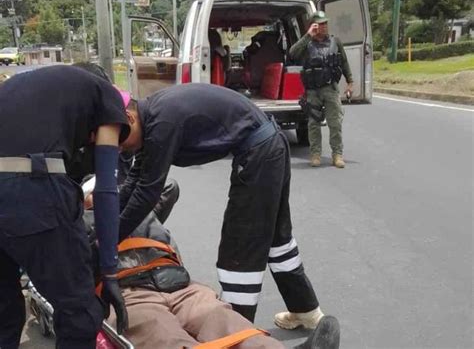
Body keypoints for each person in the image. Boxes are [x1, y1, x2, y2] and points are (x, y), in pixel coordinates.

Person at [116, 83, 328, 329]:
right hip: (268, 147)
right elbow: (135, 178)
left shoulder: (161, 123)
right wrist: (108, 218)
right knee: (278, 241)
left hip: (259, 154)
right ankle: (305, 309)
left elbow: (147, 191)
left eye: (118, 139)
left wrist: (111, 239)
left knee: (239, 252)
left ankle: (234, 334)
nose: (119, 147)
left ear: (129, 118)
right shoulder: (152, 115)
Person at [83, 178, 340, 349]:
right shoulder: (77, 225)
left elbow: (169, 186)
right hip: (127, 292)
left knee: (222, 319)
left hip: (180, 284)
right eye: (96, 191)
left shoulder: (140, 212)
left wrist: (125, 191)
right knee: (161, 332)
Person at [0, 65, 130, 349]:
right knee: (79, 314)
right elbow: (107, 188)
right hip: (31, 190)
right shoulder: (105, 95)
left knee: (5, 314)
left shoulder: (19, 87)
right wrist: (109, 272)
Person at [289, 11, 353, 168]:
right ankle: (315, 154)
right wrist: (308, 35)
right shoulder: (307, 43)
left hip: (330, 88)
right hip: (312, 91)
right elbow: (292, 54)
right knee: (313, 124)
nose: (323, 27)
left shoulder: (335, 41)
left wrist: (350, 82)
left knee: (335, 123)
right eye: (320, 24)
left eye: (325, 23)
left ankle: (337, 154)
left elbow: (344, 63)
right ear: (313, 25)